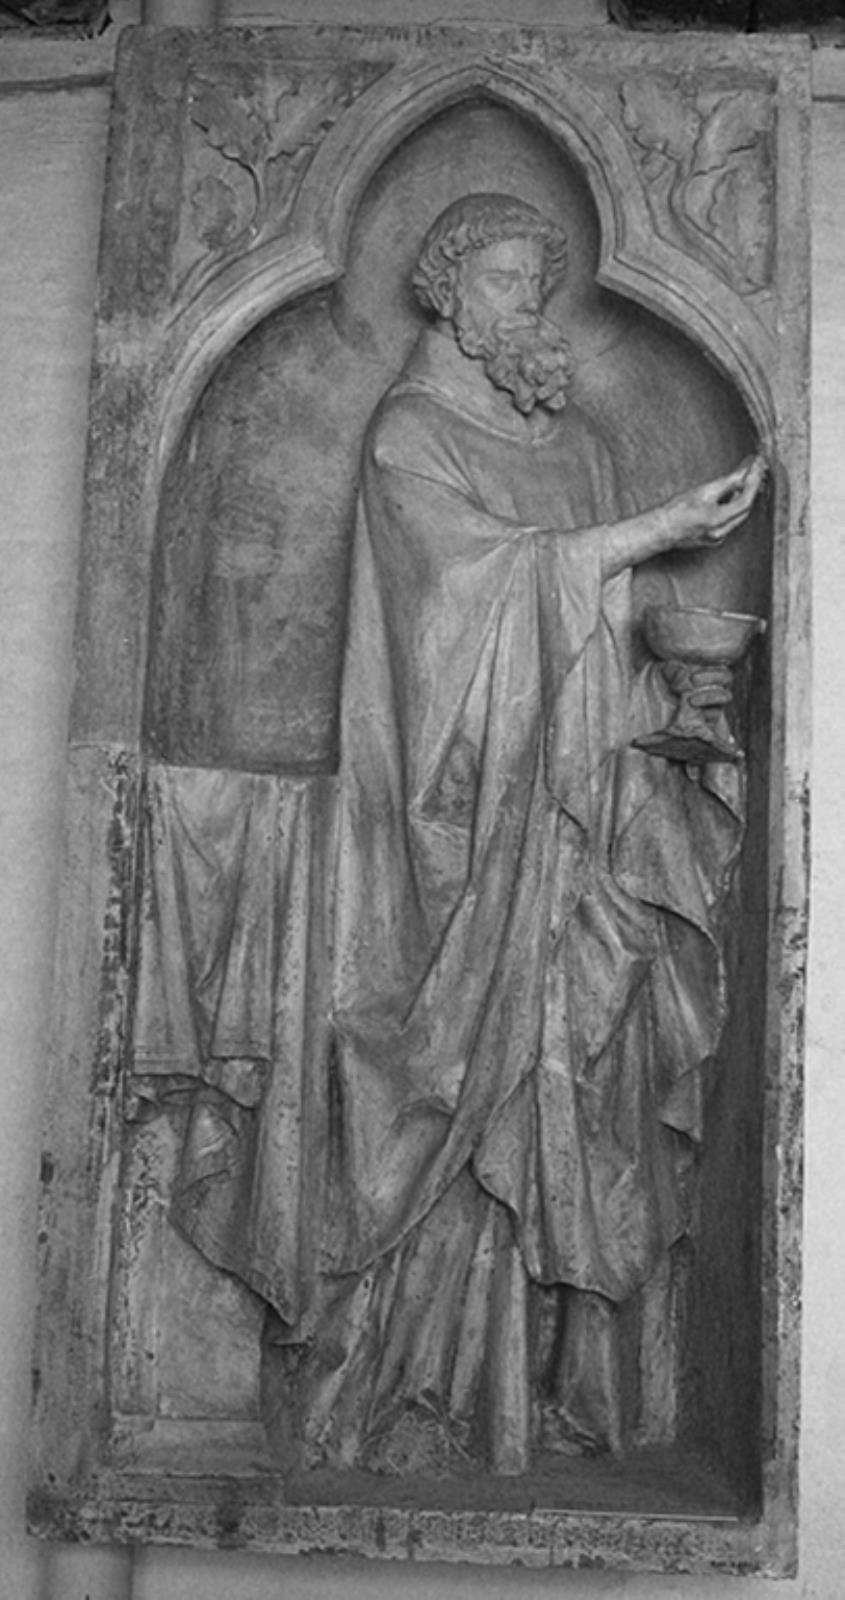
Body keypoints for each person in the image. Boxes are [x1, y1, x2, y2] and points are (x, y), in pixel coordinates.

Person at [286, 192, 764, 1476]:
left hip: (575, 821)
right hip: (461, 836)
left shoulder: (584, 447)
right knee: (472, 1076)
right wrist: (654, 533)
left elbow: (589, 630)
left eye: (536, 285)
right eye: (502, 281)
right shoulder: (407, 436)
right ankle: (418, 1389)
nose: (528, 307)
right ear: (446, 293)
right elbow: (463, 605)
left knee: (585, 1085)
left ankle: (565, 1395)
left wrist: (676, 688)